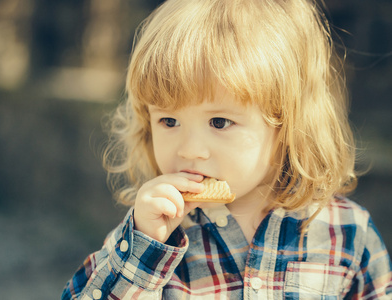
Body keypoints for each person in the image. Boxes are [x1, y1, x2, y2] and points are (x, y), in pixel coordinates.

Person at [62, 0, 392, 299]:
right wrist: (144, 248)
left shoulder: (347, 233)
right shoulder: (152, 237)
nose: (190, 150)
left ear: (288, 124)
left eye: (219, 122)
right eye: (169, 121)